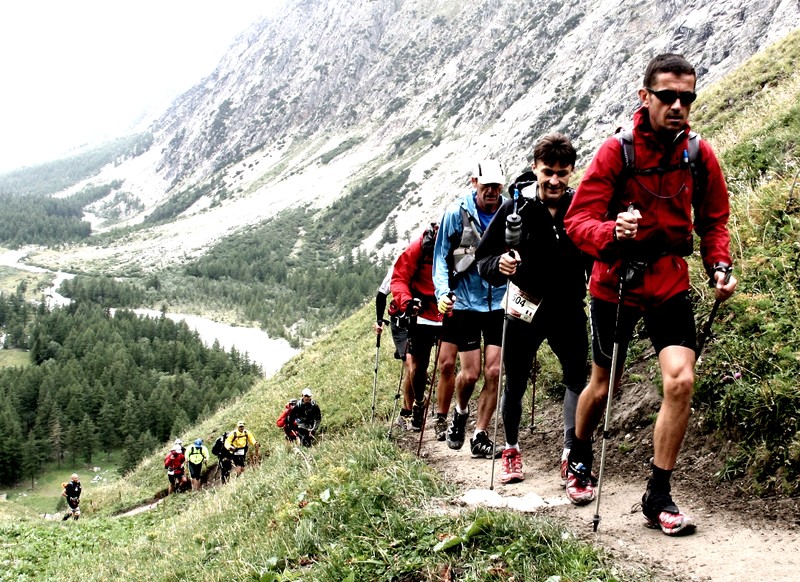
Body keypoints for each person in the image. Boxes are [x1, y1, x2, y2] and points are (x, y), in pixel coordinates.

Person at [563, 53, 738, 535]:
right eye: (668, 96)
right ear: (645, 97)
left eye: (687, 97)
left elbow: (714, 220)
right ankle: (578, 454)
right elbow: (577, 221)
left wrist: (718, 265)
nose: (678, 105)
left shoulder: (699, 154)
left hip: (669, 280)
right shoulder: (615, 153)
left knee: (680, 381)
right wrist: (610, 231)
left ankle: (657, 493)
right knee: (605, 384)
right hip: (614, 283)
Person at [475, 133, 591, 484]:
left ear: (572, 172)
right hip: (524, 308)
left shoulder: (582, 206)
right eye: (548, 172)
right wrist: (500, 267)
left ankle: (572, 455)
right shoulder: (515, 210)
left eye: (563, 172)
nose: (554, 180)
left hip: (569, 308)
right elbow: (483, 259)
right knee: (516, 382)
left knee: (576, 379)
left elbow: (596, 249)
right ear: (534, 168)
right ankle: (511, 449)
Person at [432, 159, 507, 458]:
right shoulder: (455, 213)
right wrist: (442, 291)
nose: (491, 191)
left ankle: (480, 434)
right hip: (464, 301)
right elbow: (441, 257)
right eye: (486, 185)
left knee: (495, 370)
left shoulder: (510, 212)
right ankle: (460, 412)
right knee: (471, 374)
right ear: (474, 182)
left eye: (496, 186)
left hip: (500, 299)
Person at [389, 223, 442, 431]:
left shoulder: (460, 245)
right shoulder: (417, 249)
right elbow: (394, 282)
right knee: (417, 366)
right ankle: (415, 404)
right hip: (416, 316)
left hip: (448, 312)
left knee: (446, 364)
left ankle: (441, 417)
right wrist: (407, 303)